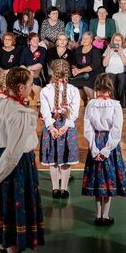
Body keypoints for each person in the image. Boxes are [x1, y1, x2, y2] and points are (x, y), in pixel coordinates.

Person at [0, 67, 44, 253]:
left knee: (4, 213)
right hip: (16, 167)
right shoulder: (21, 114)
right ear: (20, 87)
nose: (31, 88)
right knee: (14, 212)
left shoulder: (2, 104)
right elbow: (13, 153)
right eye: (29, 85)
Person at [81, 74, 126, 226]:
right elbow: (116, 130)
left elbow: (87, 129)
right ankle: (106, 216)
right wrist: (106, 150)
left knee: (97, 179)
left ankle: (98, 215)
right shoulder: (115, 105)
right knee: (108, 180)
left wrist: (95, 149)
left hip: (96, 141)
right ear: (110, 88)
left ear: (96, 88)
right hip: (109, 143)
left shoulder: (91, 104)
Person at [39, 60, 81, 200]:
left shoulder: (45, 90)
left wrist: (51, 127)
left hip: (52, 125)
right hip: (66, 126)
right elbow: (74, 112)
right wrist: (65, 126)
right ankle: (63, 188)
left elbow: (45, 111)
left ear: (52, 72)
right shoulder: (73, 90)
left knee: (53, 159)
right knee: (65, 159)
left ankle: (55, 188)